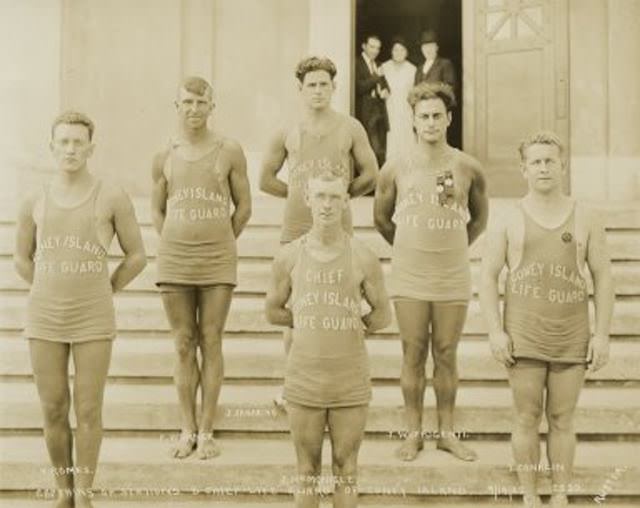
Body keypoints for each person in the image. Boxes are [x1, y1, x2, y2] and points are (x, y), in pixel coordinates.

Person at [14, 111, 147, 508]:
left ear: (91, 148)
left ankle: (85, 496)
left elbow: (137, 255)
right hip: (45, 317)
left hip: (92, 315)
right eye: (64, 142)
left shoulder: (111, 195)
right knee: (54, 407)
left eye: (78, 142)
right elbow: (22, 257)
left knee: (88, 408)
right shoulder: (35, 198)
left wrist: (106, 287)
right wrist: (44, 284)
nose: (71, 149)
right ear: (51, 147)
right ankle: (63, 492)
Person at [479, 131, 614, 508]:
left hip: (572, 334)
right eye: (535, 162)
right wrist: (494, 331)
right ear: (523, 169)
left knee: (562, 418)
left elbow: (604, 278)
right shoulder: (508, 218)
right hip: (523, 335)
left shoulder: (586, 216)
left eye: (550, 160)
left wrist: (601, 335)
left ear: (562, 165)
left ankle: (559, 492)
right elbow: (487, 277)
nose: (543, 167)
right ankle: (528, 493)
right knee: (525, 416)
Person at [374, 82, 489, 462]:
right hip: (409, 275)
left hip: (452, 274)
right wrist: (410, 245)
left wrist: (450, 244)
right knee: (413, 352)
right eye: (424, 116)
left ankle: (446, 433)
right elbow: (382, 220)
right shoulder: (395, 167)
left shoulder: (467, 166)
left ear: (449, 119)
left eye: (438, 115)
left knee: (446, 353)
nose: (431, 122)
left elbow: (479, 220)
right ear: (413, 121)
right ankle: (412, 434)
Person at [265, 170, 391, 508]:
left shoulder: (363, 256)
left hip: (349, 379)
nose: (327, 204)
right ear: (307, 199)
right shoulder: (289, 256)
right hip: (304, 378)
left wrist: (348, 322)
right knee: (306, 471)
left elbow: (383, 315)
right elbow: (273, 310)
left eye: (335, 197)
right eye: (320, 196)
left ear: (346, 201)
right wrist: (310, 321)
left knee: (346, 469)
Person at [259, 56, 378, 409]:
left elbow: (371, 173)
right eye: (311, 84)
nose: (318, 90)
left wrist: (339, 198)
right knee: (296, 314)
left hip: (338, 232)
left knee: (339, 308)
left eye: (324, 84)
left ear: (334, 87)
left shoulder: (350, 127)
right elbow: (264, 179)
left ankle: (343, 384)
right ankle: (292, 386)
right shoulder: (287, 130)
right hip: (296, 230)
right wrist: (303, 198)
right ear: (300, 89)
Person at [150, 76, 252, 460]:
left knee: (211, 338)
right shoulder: (164, 152)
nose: (193, 109)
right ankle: (186, 428)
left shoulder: (229, 149)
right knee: (182, 343)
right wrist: (175, 239)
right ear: (177, 107)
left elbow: (243, 206)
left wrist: (222, 240)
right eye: (186, 102)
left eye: (200, 102)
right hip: (175, 259)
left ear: (213, 106)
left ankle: (207, 431)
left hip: (217, 258)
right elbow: (158, 209)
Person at [355, 35, 390, 168]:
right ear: (364, 46)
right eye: (372, 47)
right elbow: (359, 87)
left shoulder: (379, 64)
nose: (375, 51)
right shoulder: (356, 63)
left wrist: (385, 91)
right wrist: (376, 77)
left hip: (380, 111)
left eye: (378, 48)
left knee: (381, 150)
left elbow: (384, 84)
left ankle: (381, 183)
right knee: (372, 150)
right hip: (366, 113)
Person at [381, 37, 417, 160]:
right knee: (391, 141)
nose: (399, 53)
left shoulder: (412, 69)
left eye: (402, 50)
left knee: (407, 143)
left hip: (406, 111)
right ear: (391, 51)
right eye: (396, 50)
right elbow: (378, 86)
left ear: (406, 52)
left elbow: (415, 93)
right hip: (389, 110)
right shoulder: (384, 67)